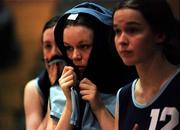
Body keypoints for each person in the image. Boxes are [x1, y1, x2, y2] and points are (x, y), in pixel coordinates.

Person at [52, 2, 137, 130]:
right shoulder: (60, 89)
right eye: (68, 47)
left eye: (84, 46)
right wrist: (70, 104)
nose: (75, 56)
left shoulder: (132, 90)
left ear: (103, 45)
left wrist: (99, 108)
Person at [113, 0, 180, 130]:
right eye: (117, 31)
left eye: (132, 30)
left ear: (160, 34)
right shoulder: (124, 95)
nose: (122, 41)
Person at [24, 15, 66, 130]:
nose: (53, 53)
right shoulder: (33, 89)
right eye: (47, 46)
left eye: (59, 44)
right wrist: (55, 90)